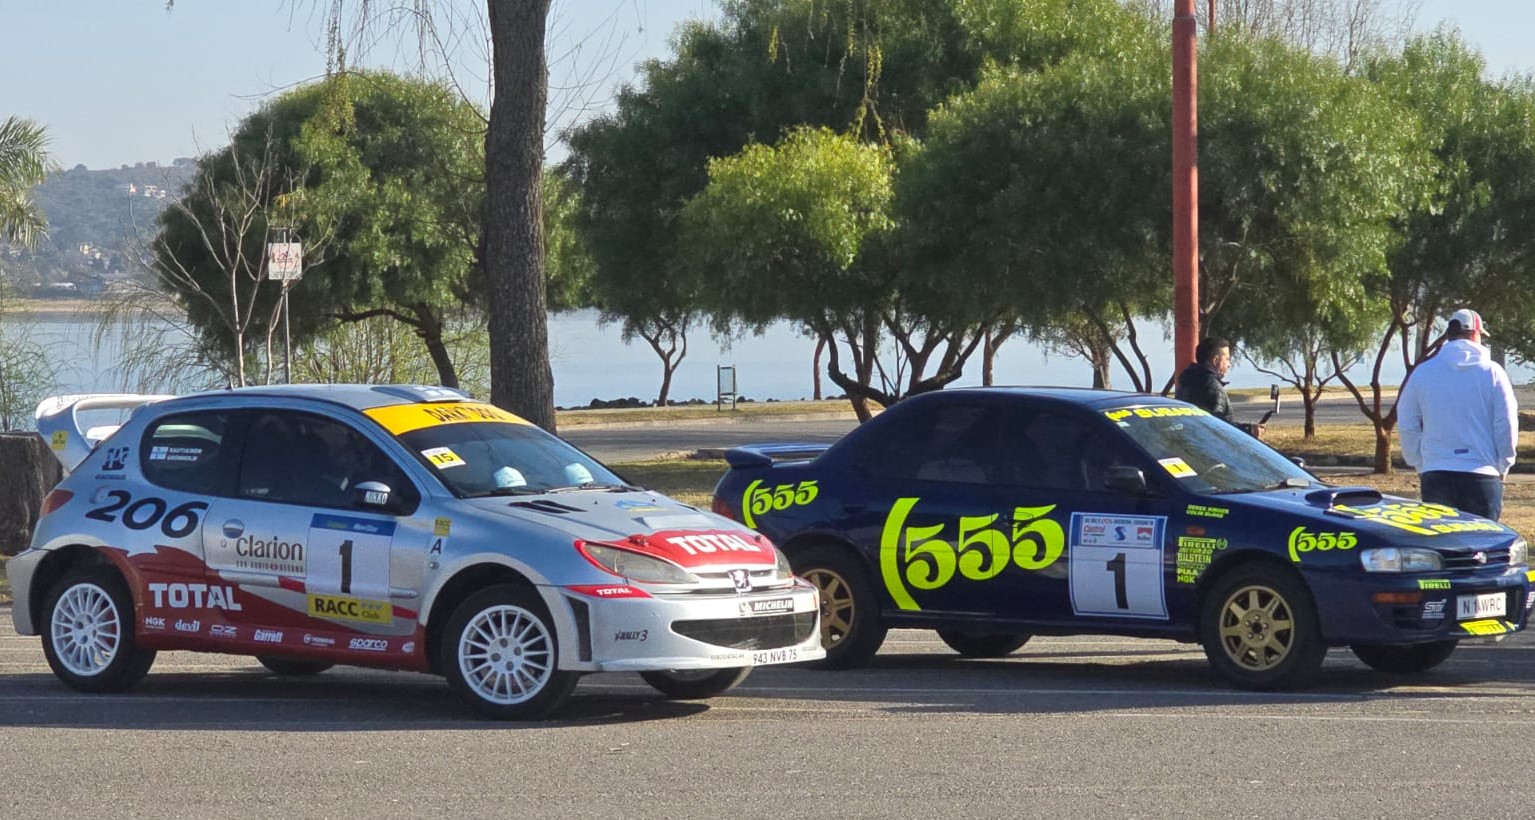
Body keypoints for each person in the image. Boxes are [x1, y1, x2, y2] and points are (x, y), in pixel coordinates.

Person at [1396, 308, 1518, 521]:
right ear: (1475, 334)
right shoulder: (1493, 372)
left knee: (1443, 547)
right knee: (1483, 547)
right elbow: (1506, 421)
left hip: (1437, 473)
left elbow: (1407, 422)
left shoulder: (1423, 372)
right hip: (1482, 473)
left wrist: (1419, 462)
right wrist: (1504, 464)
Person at [1175, 337, 1235, 421]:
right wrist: (1250, 429)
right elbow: (1215, 426)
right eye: (1227, 359)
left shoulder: (1187, 381)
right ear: (1216, 360)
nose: (1229, 365)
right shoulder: (1213, 387)